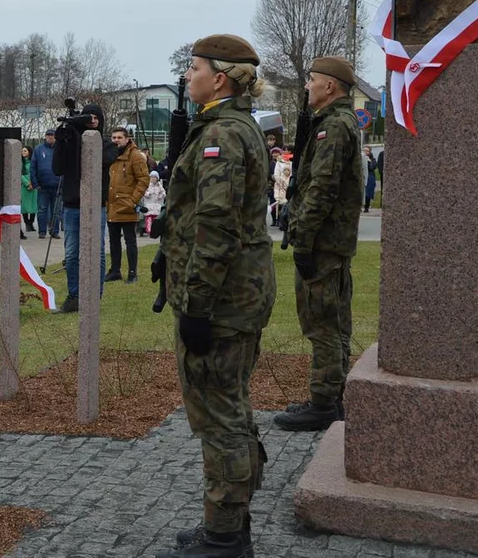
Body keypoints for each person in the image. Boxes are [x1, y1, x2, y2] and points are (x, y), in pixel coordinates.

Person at [159, 35, 275, 557]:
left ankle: (225, 537)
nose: (188, 76)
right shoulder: (226, 126)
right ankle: (230, 522)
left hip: (223, 301)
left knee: (220, 414)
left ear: (220, 78)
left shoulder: (224, 135)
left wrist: (198, 304)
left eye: (194, 68)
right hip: (237, 294)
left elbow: (217, 225)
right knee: (230, 407)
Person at [273, 56, 363, 433]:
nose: (306, 86)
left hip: (324, 245)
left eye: (312, 80)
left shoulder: (334, 128)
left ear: (330, 86)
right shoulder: (336, 123)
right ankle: (332, 396)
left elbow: (321, 190)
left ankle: (324, 403)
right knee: (335, 323)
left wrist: (304, 242)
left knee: (322, 325)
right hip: (333, 244)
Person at [52, 104, 118, 314]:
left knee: (96, 251)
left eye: (95, 118)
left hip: (95, 205)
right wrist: (63, 141)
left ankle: (94, 295)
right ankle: (74, 296)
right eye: (87, 118)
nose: (92, 122)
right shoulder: (71, 141)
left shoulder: (107, 144)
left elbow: (101, 159)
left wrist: (82, 136)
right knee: (71, 254)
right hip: (72, 205)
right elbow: (57, 168)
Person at [106, 127, 149, 284]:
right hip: (111, 205)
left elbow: (144, 180)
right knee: (113, 240)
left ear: (127, 138)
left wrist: (133, 201)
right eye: (114, 137)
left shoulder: (136, 156)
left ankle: (132, 273)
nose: (116, 140)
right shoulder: (110, 154)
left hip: (126, 205)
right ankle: (115, 270)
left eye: (119, 137)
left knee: (130, 240)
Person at [31, 129, 60, 239]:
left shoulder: (60, 149)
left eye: (52, 135)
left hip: (57, 186)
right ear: (45, 136)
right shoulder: (38, 149)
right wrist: (35, 183)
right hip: (42, 186)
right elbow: (33, 167)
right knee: (42, 209)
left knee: (56, 211)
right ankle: (42, 231)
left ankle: (54, 231)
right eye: (48, 135)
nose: (50, 137)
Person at [141, 171, 166, 236]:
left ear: (157, 178)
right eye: (151, 177)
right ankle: (149, 231)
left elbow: (163, 192)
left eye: (155, 177)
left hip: (157, 205)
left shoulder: (159, 185)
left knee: (155, 219)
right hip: (149, 205)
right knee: (148, 219)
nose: (153, 178)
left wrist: (161, 196)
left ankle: (156, 231)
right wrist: (148, 194)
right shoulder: (147, 185)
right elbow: (143, 192)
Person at [362, 145, 377, 212]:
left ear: (370, 152)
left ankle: (366, 207)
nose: (365, 152)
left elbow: (372, 168)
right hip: (362, 176)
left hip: (370, 177)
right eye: (364, 150)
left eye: (367, 151)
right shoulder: (361, 158)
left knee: (368, 193)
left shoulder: (373, 159)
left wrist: (368, 162)